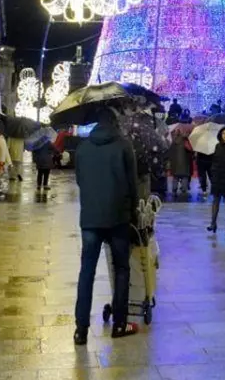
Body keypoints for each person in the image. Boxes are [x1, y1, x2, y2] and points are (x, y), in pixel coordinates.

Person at [73, 107, 139, 344]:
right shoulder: (123, 146)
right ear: (114, 122)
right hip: (118, 216)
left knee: (87, 271)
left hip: (90, 218)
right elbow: (132, 184)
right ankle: (120, 324)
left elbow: (80, 180)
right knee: (121, 268)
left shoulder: (83, 148)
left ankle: (81, 329)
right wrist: (133, 211)